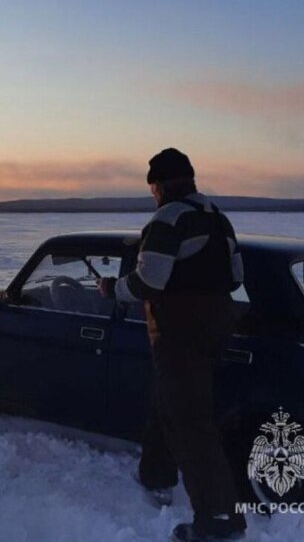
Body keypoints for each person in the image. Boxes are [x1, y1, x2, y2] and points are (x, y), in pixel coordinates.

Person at [99, 148, 246, 542]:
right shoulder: (218, 217)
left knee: (191, 422)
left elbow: (149, 282)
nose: (153, 194)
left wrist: (112, 287)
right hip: (216, 329)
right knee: (169, 400)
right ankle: (156, 474)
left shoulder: (168, 219)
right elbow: (235, 278)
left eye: (153, 187)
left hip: (179, 333)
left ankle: (219, 521)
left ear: (160, 185)